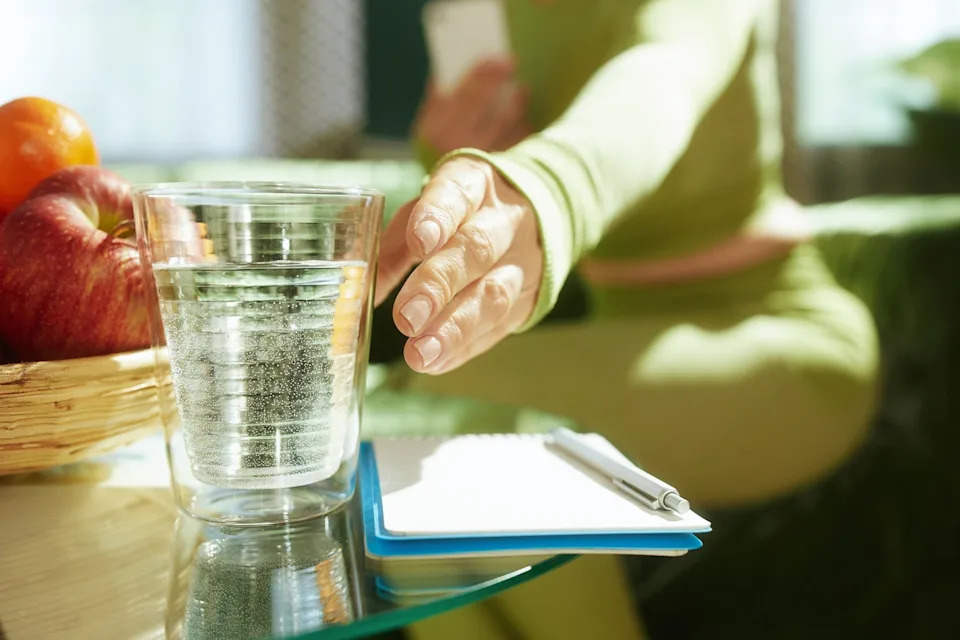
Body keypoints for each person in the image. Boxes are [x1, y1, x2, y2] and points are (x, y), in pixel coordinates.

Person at [370, 0, 879, 637]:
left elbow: (657, 82)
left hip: (783, 342)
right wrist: (451, 156)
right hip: (624, 349)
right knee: (406, 502)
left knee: (441, 423)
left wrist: (544, 186)